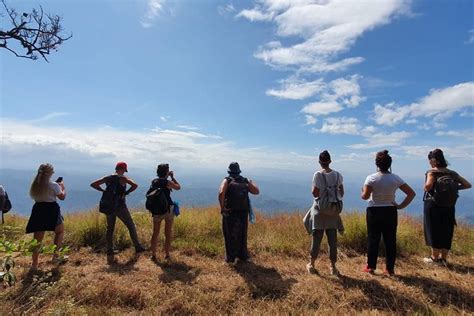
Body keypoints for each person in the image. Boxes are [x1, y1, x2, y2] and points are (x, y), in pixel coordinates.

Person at [361, 150, 416, 275]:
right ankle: (389, 269)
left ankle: (370, 267)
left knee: (373, 239)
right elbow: (411, 193)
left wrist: (362, 191)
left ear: (377, 164)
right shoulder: (395, 178)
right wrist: (400, 206)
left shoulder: (371, 178)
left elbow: (365, 196)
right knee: (390, 240)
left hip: (374, 210)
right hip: (390, 211)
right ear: (389, 164)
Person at [422, 148, 471, 265]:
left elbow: (428, 186)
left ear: (434, 161)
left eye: (430, 160)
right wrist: (455, 187)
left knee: (433, 230)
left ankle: (434, 258)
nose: (429, 162)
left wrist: (428, 186)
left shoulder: (432, 172)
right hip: (449, 206)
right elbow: (468, 185)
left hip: (434, 205)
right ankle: (443, 259)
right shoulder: (452, 173)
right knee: (447, 230)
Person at [90, 162, 145, 259]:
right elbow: (135, 185)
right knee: (131, 225)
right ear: (123, 169)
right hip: (120, 206)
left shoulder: (107, 178)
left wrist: (103, 191)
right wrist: (126, 192)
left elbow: (93, 184)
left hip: (109, 206)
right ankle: (138, 246)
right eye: (124, 170)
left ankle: (110, 249)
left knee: (110, 228)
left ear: (116, 168)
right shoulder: (123, 179)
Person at [306, 150, 344, 276]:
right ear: (330, 161)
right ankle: (333, 267)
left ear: (319, 162)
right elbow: (341, 193)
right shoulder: (338, 175)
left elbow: (315, 193)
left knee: (316, 239)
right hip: (333, 211)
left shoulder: (317, 175)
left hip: (320, 211)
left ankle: (311, 265)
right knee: (332, 240)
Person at [25, 163, 67, 269]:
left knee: (37, 239)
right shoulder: (53, 185)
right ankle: (55, 256)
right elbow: (62, 197)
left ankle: (34, 264)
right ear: (50, 173)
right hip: (51, 210)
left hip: (38, 210)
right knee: (60, 231)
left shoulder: (35, 185)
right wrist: (62, 187)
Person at [218, 162, 259, 264]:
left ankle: (230, 258)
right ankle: (243, 256)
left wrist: (223, 208)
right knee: (242, 234)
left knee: (229, 235)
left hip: (230, 212)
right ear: (239, 171)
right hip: (243, 212)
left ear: (229, 171)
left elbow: (221, 193)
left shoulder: (227, 180)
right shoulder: (244, 181)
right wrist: (250, 181)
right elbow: (256, 191)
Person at [148, 163, 181, 262]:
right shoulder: (167, 182)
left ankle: (153, 254)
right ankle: (166, 254)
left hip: (156, 210)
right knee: (167, 233)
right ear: (166, 172)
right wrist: (172, 177)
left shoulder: (154, 181)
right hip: (167, 209)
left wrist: (167, 176)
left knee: (155, 232)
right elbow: (178, 187)